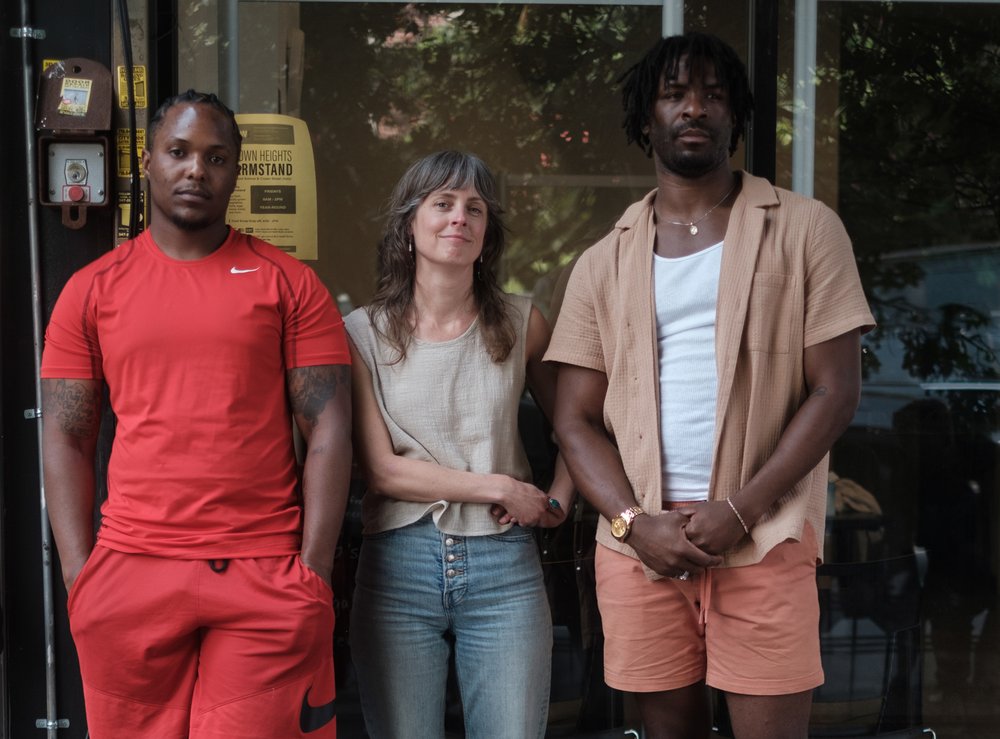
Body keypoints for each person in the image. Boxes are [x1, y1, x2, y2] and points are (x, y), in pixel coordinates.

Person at [545, 33, 876, 739]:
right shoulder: (602, 261)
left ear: (737, 116)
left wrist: (741, 508)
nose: (694, 107)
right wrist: (634, 524)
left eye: (713, 94)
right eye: (674, 94)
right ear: (646, 119)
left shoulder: (807, 230)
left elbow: (836, 391)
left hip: (764, 533)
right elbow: (573, 419)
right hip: (643, 548)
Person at [40, 90, 352, 738]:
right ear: (148, 163)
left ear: (236, 172)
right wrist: (81, 574)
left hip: (263, 570)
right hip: (132, 568)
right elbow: (67, 433)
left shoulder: (289, 283)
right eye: (179, 152)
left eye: (216, 157)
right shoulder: (92, 289)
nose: (196, 170)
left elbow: (327, 426)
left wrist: (313, 571)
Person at [345, 150, 574, 739]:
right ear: (409, 223)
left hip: (505, 566)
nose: (459, 218)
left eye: (475, 208)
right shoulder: (361, 333)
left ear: (487, 230)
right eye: (442, 204)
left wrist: (560, 499)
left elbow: (576, 427)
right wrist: (500, 486)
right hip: (399, 561)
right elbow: (380, 471)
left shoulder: (525, 321)